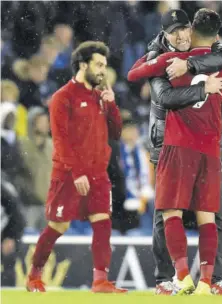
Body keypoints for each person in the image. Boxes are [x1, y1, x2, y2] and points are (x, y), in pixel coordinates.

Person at [133, 8, 222, 295]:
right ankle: (165, 279)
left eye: (185, 29)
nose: (182, 35)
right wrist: (203, 88)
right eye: (175, 31)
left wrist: (191, 66)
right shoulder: (159, 57)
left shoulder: (200, 53)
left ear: (192, 29)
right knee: (165, 212)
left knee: (213, 212)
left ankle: (213, 278)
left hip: (203, 144)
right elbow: (165, 97)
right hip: (166, 144)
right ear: (165, 34)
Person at [26, 41, 127, 293]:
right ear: (83, 65)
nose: (103, 70)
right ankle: (34, 275)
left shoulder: (101, 97)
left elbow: (115, 132)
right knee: (58, 226)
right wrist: (76, 171)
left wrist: (112, 104)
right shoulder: (63, 97)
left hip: (98, 173)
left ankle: (100, 280)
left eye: (105, 65)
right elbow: (60, 139)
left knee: (103, 223)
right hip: (69, 173)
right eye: (99, 65)